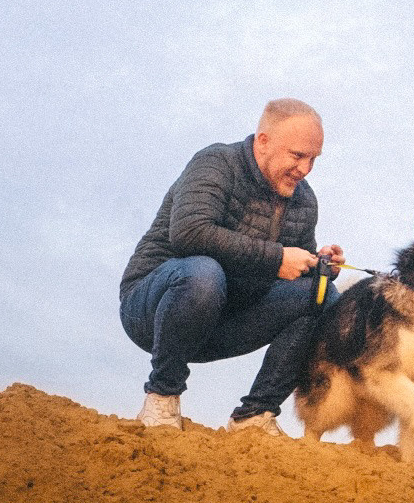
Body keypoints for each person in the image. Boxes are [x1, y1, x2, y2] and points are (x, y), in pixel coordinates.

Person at [119, 98, 346, 434]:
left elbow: (295, 267)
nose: (305, 169)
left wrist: (321, 265)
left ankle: (254, 416)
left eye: (314, 158)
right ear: (263, 141)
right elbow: (189, 233)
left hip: (227, 320)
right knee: (203, 272)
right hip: (152, 311)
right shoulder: (215, 162)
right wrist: (276, 258)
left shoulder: (305, 200)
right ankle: (162, 398)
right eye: (297, 155)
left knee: (322, 297)